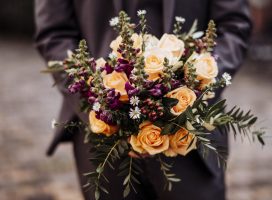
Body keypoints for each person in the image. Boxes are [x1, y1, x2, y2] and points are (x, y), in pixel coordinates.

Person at [34, 0, 252, 199]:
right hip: (102, 141)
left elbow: (233, 27)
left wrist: (195, 82)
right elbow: (54, 34)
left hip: (192, 136)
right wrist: (101, 101)